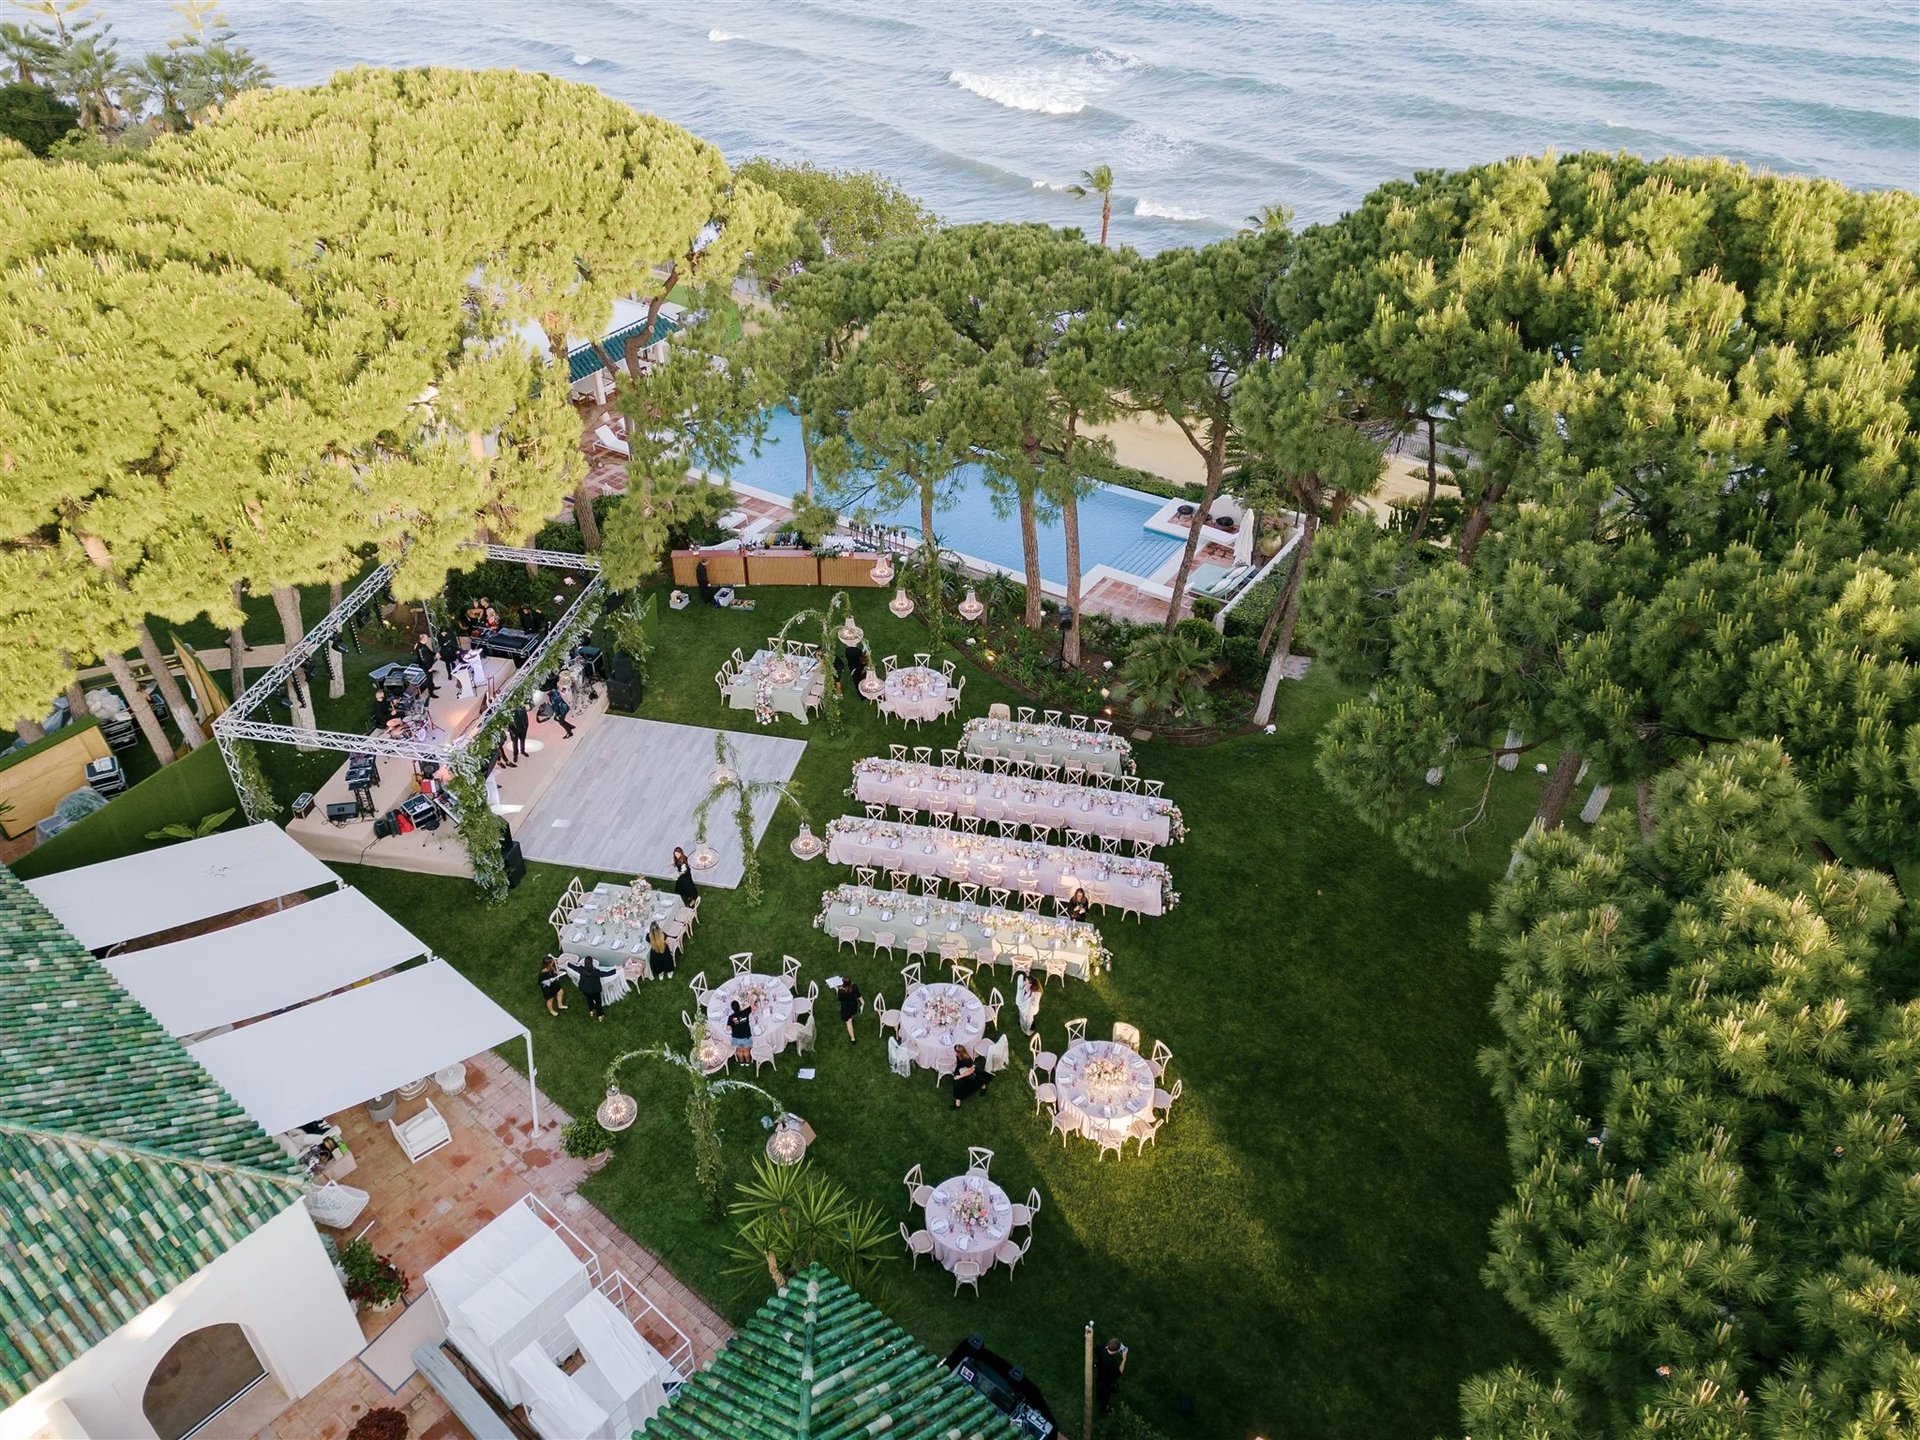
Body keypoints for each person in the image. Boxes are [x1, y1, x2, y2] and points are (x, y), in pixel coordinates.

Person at [1094, 1337, 1127, 1414]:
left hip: (1099, 1377)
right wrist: (1124, 1359)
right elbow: (1118, 1373)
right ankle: (1104, 1409)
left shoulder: (1101, 1348)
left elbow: (1096, 1349)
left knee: (1099, 1390)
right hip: (1106, 1383)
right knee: (1105, 1397)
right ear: (1116, 1350)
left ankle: (1098, 1398)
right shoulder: (1112, 1362)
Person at [576, 957, 615, 1022]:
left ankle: (591, 1010)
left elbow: (573, 967)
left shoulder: (581, 969)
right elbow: (606, 974)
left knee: (589, 999)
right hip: (595, 990)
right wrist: (616, 970)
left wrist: (568, 963)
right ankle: (600, 1015)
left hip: (585, 989)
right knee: (598, 1003)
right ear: (592, 963)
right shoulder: (595, 972)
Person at [543, 669, 575, 738]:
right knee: (558, 719)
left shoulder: (553, 697)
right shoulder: (554, 693)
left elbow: (556, 706)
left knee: (561, 721)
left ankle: (569, 733)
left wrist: (558, 714)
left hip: (563, 709)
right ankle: (570, 726)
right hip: (564, 707)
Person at [836, 976, 862, 1043]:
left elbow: (840, 999)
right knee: (852, 1014)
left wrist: (837, 989)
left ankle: (853, 1039)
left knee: (848, 1022)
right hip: (853, 1004)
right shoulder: (854, 987)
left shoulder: (841, 992)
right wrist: (863, 1002)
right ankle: (851, 1017)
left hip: (846, 1007)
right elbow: (858, 995)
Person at [727, 997, 754, 1063]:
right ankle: (747, 1061)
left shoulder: (731, 1017)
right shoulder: (745, 1012)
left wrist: (733, 1024)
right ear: (739, 1006)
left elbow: (728, 1028)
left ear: (732, 1009)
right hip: (746, 1036)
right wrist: (751, 999)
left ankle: (741, 1061)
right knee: (746, 1050)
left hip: (736, 1037)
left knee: (739, 1050)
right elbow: (752, 1006)